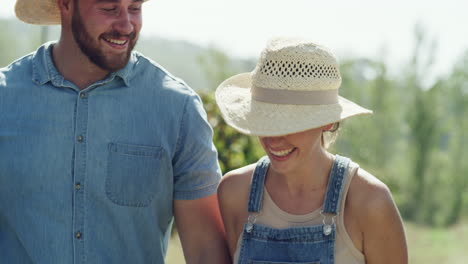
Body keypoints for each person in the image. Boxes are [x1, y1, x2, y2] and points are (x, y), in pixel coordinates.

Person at [0, 0, 230, 263]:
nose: (126, 25)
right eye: (109, 8)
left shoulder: (178, 109)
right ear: (65, 5)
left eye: (134, 8)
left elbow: (206, 252)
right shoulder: (4, 97)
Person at [215, 38, 408, 264]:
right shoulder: (235, 193)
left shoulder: (369, 202)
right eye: (265, 122)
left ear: (327, 122)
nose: (274, 139)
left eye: (291, 124)